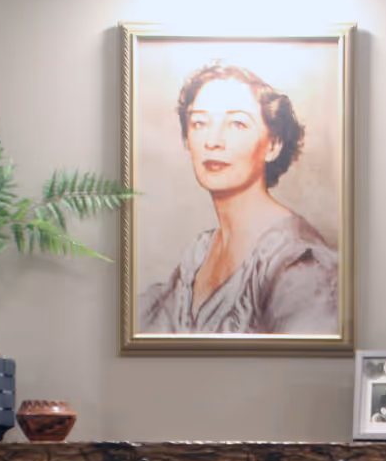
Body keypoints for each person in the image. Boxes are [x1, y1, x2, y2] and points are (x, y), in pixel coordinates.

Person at [138, 62, 339, 335]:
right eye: (199, 123)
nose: (214, 140)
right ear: (187, 140)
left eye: (237, 123)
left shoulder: (300, 261)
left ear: (272, 145)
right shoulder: (198, 255)